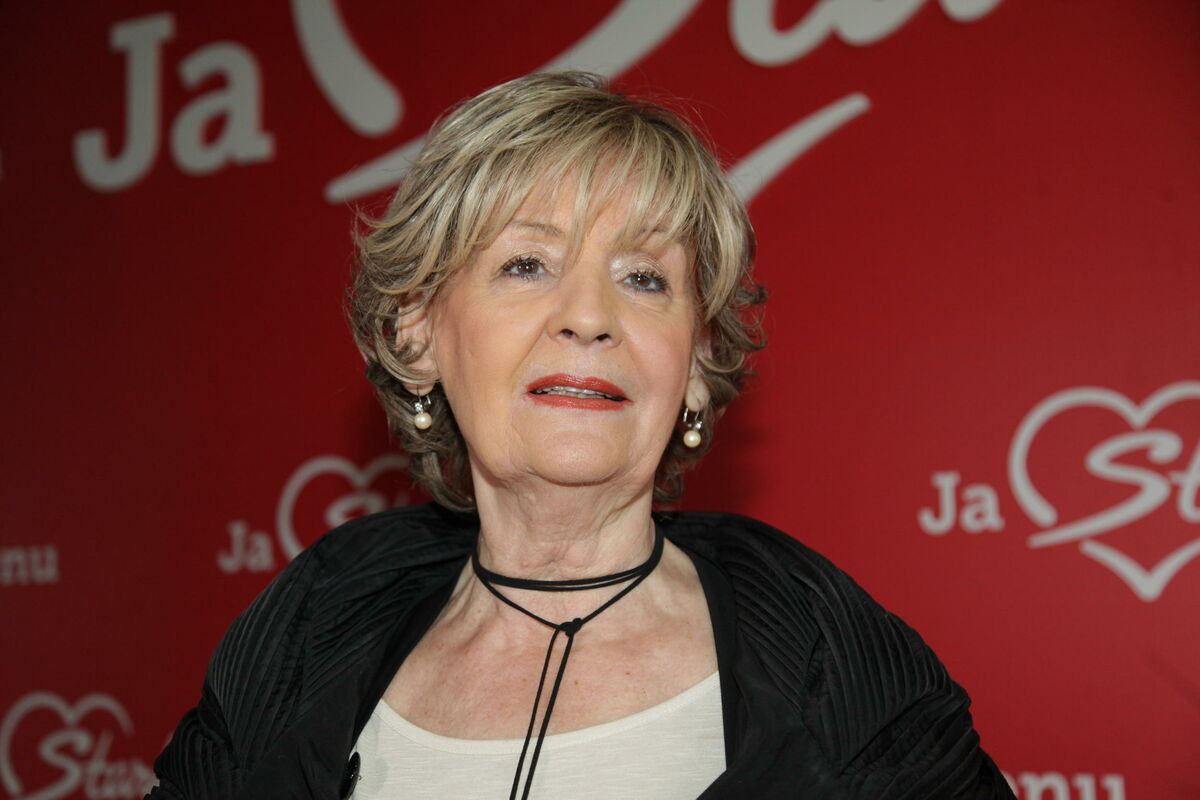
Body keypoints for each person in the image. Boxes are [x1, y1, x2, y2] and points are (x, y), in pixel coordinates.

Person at [148, 72, 1014, 799]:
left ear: (698, 361)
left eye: (644, 278)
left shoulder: (833, 662)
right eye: (526, 264)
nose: (591, 316)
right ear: (417, 334)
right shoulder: (308, 632)